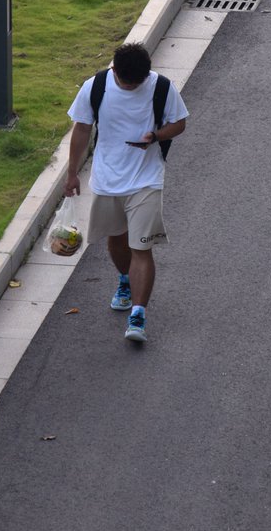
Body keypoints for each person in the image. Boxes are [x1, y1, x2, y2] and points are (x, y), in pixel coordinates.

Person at [64, 42, 188, 343]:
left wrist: (156, 136)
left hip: (146, 179)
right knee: (116, 242)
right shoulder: (96, 87)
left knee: (141, 248)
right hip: (107, 180)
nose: (133, 86)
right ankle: (124, 280)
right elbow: (82, 128)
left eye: (138, 82)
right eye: (126, 81)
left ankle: (138, 315)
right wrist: (71, 173)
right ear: (114, 70)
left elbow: (179, 123)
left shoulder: (161, 87)